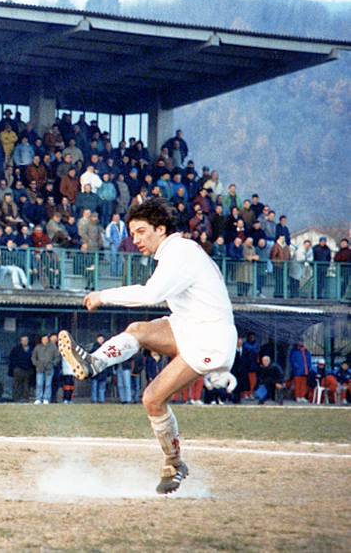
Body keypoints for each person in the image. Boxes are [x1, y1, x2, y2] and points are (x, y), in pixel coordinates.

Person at [59, 197, 237, 494]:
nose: (135, 239)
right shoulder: (177, 251)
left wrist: (103, 295)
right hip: (190, 325)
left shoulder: (179, 252)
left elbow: (151, 293)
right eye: (132, 233)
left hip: (210, 339)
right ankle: (93, 363)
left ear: (161, 229)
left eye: (141, 232)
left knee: (152, 398)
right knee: (138, 330)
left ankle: (174, 463)